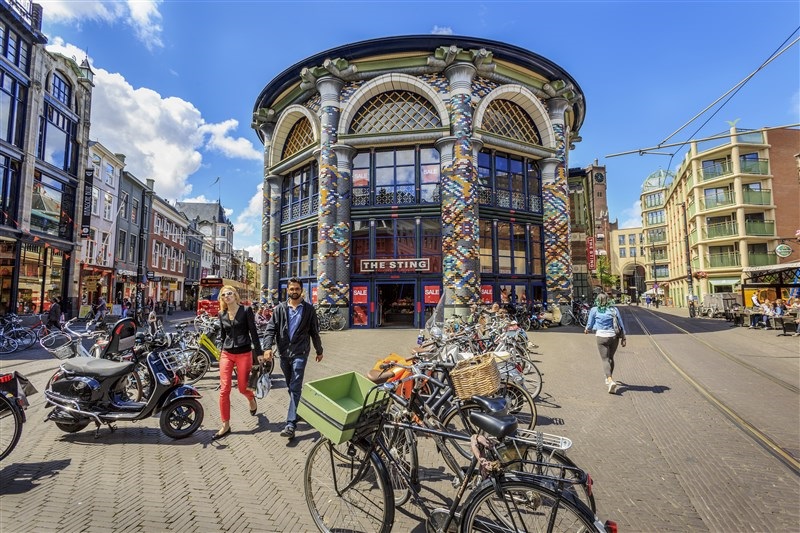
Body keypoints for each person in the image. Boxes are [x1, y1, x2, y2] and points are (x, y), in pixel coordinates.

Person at [261, 277, 324, 440]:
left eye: (297, 289)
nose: (294, 291)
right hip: (283, 352)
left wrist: (319, 350)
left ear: (301, 290)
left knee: (295, 386)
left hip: (300, 352)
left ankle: (290, 424)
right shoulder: (280, 309)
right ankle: (299, 410)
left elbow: (314, 332)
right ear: (287, 291)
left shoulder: (309, 310)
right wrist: (267, 348)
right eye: (291, 289)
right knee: (291, 385)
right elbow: (270, 329)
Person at [212, 285, 263, 440]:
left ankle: (250, 398)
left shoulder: (246, 311)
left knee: (242, 388)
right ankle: (225, 425)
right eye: (223, 295)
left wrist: (259, 353)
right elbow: (222, 336)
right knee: (224, 389)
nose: (227, 296)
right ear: (222, 299)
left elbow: (253, 332)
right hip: (227, 353)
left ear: (235, 296)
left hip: (244, 352)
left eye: (229, 293)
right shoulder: (221, 314)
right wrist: (221, 353)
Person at [584, 292, 626, 394]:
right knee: (611, 358)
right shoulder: (613, 309)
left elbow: (590, 324)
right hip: (614, 337)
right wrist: (624, 337)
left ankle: (610, 380)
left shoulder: (594, 310)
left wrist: (587, 329)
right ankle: (609, 378)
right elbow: (620, 323)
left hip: (601, 337)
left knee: (605, 359)